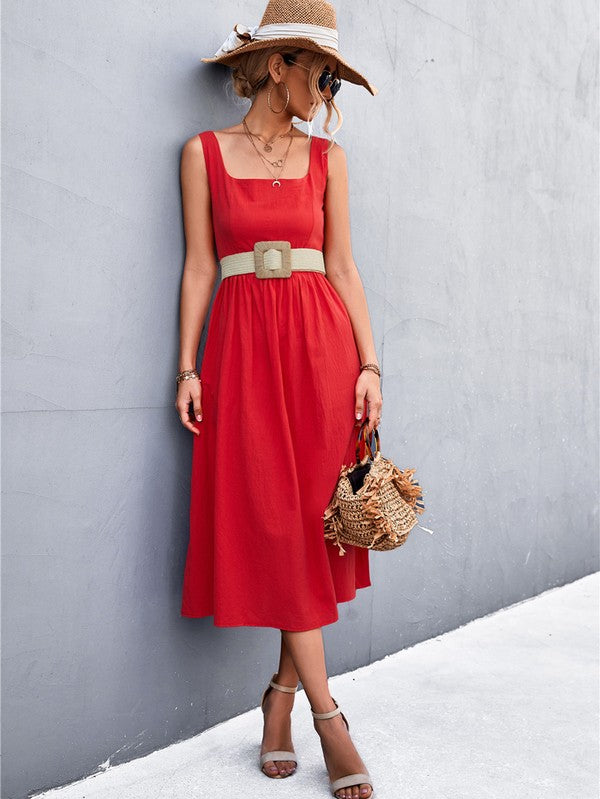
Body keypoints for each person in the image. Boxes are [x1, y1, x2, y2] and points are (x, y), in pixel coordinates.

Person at [176, 2, 381, 797]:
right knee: (270, 518)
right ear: (276, 65)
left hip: (321, 353)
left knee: (310, 527)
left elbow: (344, 269)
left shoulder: (329, 159)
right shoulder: (202, 154)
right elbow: (199, 266)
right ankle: (325, 713)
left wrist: (369, 364)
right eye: (320, 72)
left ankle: (285, 699)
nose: (326, 89)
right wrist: (187, 368)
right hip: (239, 350)